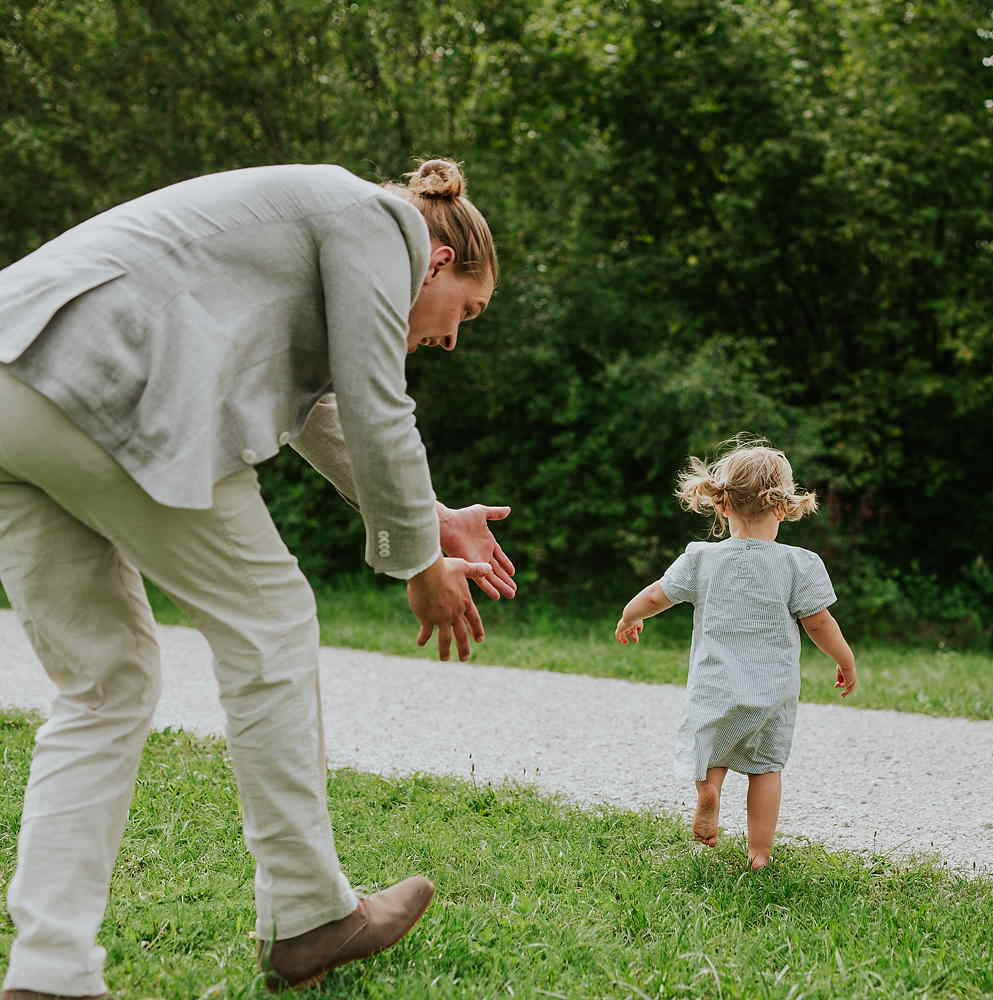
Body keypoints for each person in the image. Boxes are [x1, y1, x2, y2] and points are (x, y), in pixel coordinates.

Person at [0, 158, 512, 996]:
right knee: (270, 622)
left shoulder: (316, 223)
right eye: (469, 310)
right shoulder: (387, 226)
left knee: (102, 685)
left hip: (15, 375)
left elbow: (325, 411)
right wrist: (421, 564)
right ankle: (312, 916)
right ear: (442, 259)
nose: (454, 337)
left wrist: (433, 516)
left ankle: (49, 970)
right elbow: (381, 402)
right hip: (110, 379)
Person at [614, 437, 857, 870]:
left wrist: (631, 615)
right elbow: (819, 623)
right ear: (782, 508)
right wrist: (845, 659)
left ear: (722, 506)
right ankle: (759, 853)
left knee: (712, 750)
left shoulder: (702, 558)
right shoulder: (799, 564)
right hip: (772, 689)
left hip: (714, 683)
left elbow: (657, 595)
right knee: (766, 769)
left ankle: (709, 789)